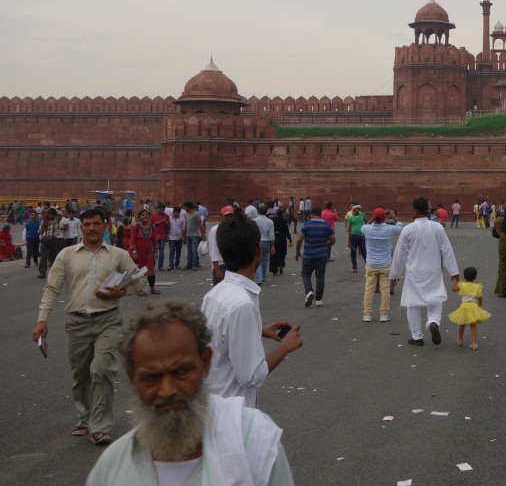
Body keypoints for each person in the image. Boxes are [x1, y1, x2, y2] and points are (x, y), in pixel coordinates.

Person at [86, 300, 295, 485]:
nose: (167, 391)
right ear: (132, 378)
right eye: (151, 378)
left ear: (205, 363)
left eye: (182, 372)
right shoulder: (112, 468)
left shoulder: (257, 445)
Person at [32, 207, 144, 445]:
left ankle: (100, 426)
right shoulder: (66, 255)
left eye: (96, 223)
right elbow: (52, 288)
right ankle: (85, 417)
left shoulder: (118, 255)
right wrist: (42, 319)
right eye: (87, 224)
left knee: (102, 371)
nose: (91, 228)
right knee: (81, 375)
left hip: (108, 320)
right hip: (77, 322)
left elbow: (139, 281)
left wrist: (120, 291)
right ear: (81, 227)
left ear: (105, 225)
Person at [202, 213, 303, 408]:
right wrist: (285, 347)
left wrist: (258, 331)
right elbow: (251, 376)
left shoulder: (215, 293)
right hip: (232, 415)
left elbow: (218, 338)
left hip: (212, 405)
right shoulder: (242, 303)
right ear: (258, 250)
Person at [389, 197, 459, 346]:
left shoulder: (408, 229)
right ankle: (433, 322)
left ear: (414, 210)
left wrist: (394, 275)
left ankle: (417, 337)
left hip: (414, 272)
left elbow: (399, 254)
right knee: (435, 298)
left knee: (412, 304)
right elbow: (446, 250)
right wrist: (453, 272)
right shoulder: (437, 227)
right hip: (433, 270)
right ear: (427, 210)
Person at [361, 207, 404, 322]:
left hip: (371, 263)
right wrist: (393, 215)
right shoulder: (388, 229)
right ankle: (384, 314)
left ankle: (367, 314)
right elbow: (401, 227)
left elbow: (363, 226)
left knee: (369, 289)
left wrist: (373, 218)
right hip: (385, 264)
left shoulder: (367, 229)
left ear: (374, 217)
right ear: (385, 217)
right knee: (385, 289)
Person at [294, 206, 336, 307]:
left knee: (305, 274)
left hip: (308, 255)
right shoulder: (327, 226)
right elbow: (333, 241)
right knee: (320, 276)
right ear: (320, 215)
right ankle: (319, 299)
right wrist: (325, 243)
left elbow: (299, 240)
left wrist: (297, 252)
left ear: (311, 215)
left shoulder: (306, 225)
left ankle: (309, 292)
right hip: (322, 255)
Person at [448, 266, 490, 349]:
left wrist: (454, 281)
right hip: (474, 307)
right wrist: (479, 306)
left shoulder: (462, 285)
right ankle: (474, 343)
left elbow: (453, 289)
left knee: (462, 325)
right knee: (473, 326)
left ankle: (460, 339)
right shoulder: (477, 287)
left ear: (464, 277)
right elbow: (480, 298)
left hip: (463, 307)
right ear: (475, 277)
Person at [129, 209, 160, 295]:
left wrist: (156, 251)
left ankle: (152, 288)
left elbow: (155, 241)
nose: (145, 216)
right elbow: (132, 240)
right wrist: (134, 252)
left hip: (148, 252)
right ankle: (139, 290)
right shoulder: (136, 227)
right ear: (139, 217)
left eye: (146, 214)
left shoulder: (152, 227)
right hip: (138, 252)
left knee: (151, 269)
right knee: (139, 271)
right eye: (143, 215)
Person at [206, 206, 234, 286]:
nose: (228, 218)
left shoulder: (233, 230)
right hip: (221, 266)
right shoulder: (215, 231)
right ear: (221, 216)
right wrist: (217, 270)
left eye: (230, 216)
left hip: (232, 266)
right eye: (226, 216)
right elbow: (213, 251)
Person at [38, 207, 64, 278]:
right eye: (50, 214)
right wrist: (43, 226)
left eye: (52, 214)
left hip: (53, 241)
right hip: (44, 241)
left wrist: (53, 238)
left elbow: (56, 233)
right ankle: (42, 273)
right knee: (43, 257)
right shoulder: (43, 221)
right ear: (48, 214)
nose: (51, 216)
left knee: (53, 257)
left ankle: (54, 272)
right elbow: (39, 231)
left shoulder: (56, 222)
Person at [254, 204, 274, 285]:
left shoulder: (254, 221)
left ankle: (259, 278)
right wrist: (273, 246)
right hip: (266, 241)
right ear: (266, 212)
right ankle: (264, 276)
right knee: (264, 259)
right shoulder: (270, 221)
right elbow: (272, 235)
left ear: (258, 211)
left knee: (257, 259)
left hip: (257, 241)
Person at [183, 202, 205, 271]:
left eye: (185, 207)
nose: (184, 209)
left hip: (195, 235)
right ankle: (189, 264)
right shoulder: (187, 214)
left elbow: (199, 225)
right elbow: (186, 226)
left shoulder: (196, 214)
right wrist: (183, 235)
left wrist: (202, 234)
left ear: (188, 207)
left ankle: (194, 264)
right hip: (188, 235)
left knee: (194, 250)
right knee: (189, 250)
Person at [269, 207, 291, 275]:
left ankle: (274, 270)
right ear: (282, 214)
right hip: (282, 238)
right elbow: (287, 231)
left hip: (274, 238)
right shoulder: (284, 221)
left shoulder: (273, 220)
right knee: (282, 253)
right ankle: (281, 265)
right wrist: (290, 239)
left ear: (276, 214)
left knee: (274, 254)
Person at [346, 203, 368, 272]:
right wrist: (349, 240)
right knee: (353, 252)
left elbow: (366, 222)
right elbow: (349, 229)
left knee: (364, 252)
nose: (358, 210)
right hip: (353, 237)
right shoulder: (351, 218)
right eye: (356, 209)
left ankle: (368, 266)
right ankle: (354, 267)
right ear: (353, 210)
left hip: (361, 236)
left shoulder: (362, 215)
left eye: (359, 209)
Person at [150, 203, 170, 270]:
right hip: (154, 236)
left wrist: (165, 223)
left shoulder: (166, 216)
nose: (161, 211)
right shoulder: (153, 216)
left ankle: (160, 266)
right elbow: (150, 225)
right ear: (157, 209)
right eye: (160, 210)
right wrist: (160, 222)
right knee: (153, 251)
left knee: (161, 252)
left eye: (162, 210)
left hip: (162, 236)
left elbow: (168, 226)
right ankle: (152, 265)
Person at [167, 206, 185, 271]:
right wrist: (167, 236)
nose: (176, 213)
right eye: (175, 212)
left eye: (178, 212)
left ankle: (177, 264)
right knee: (171, 251)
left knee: (178, 252)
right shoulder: (169, 219)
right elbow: (167, 228)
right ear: (173, 212)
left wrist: (182, 236)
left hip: (179, 238)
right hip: (171, 238)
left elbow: (184, 228)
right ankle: (171, 265)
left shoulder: (182, 219)